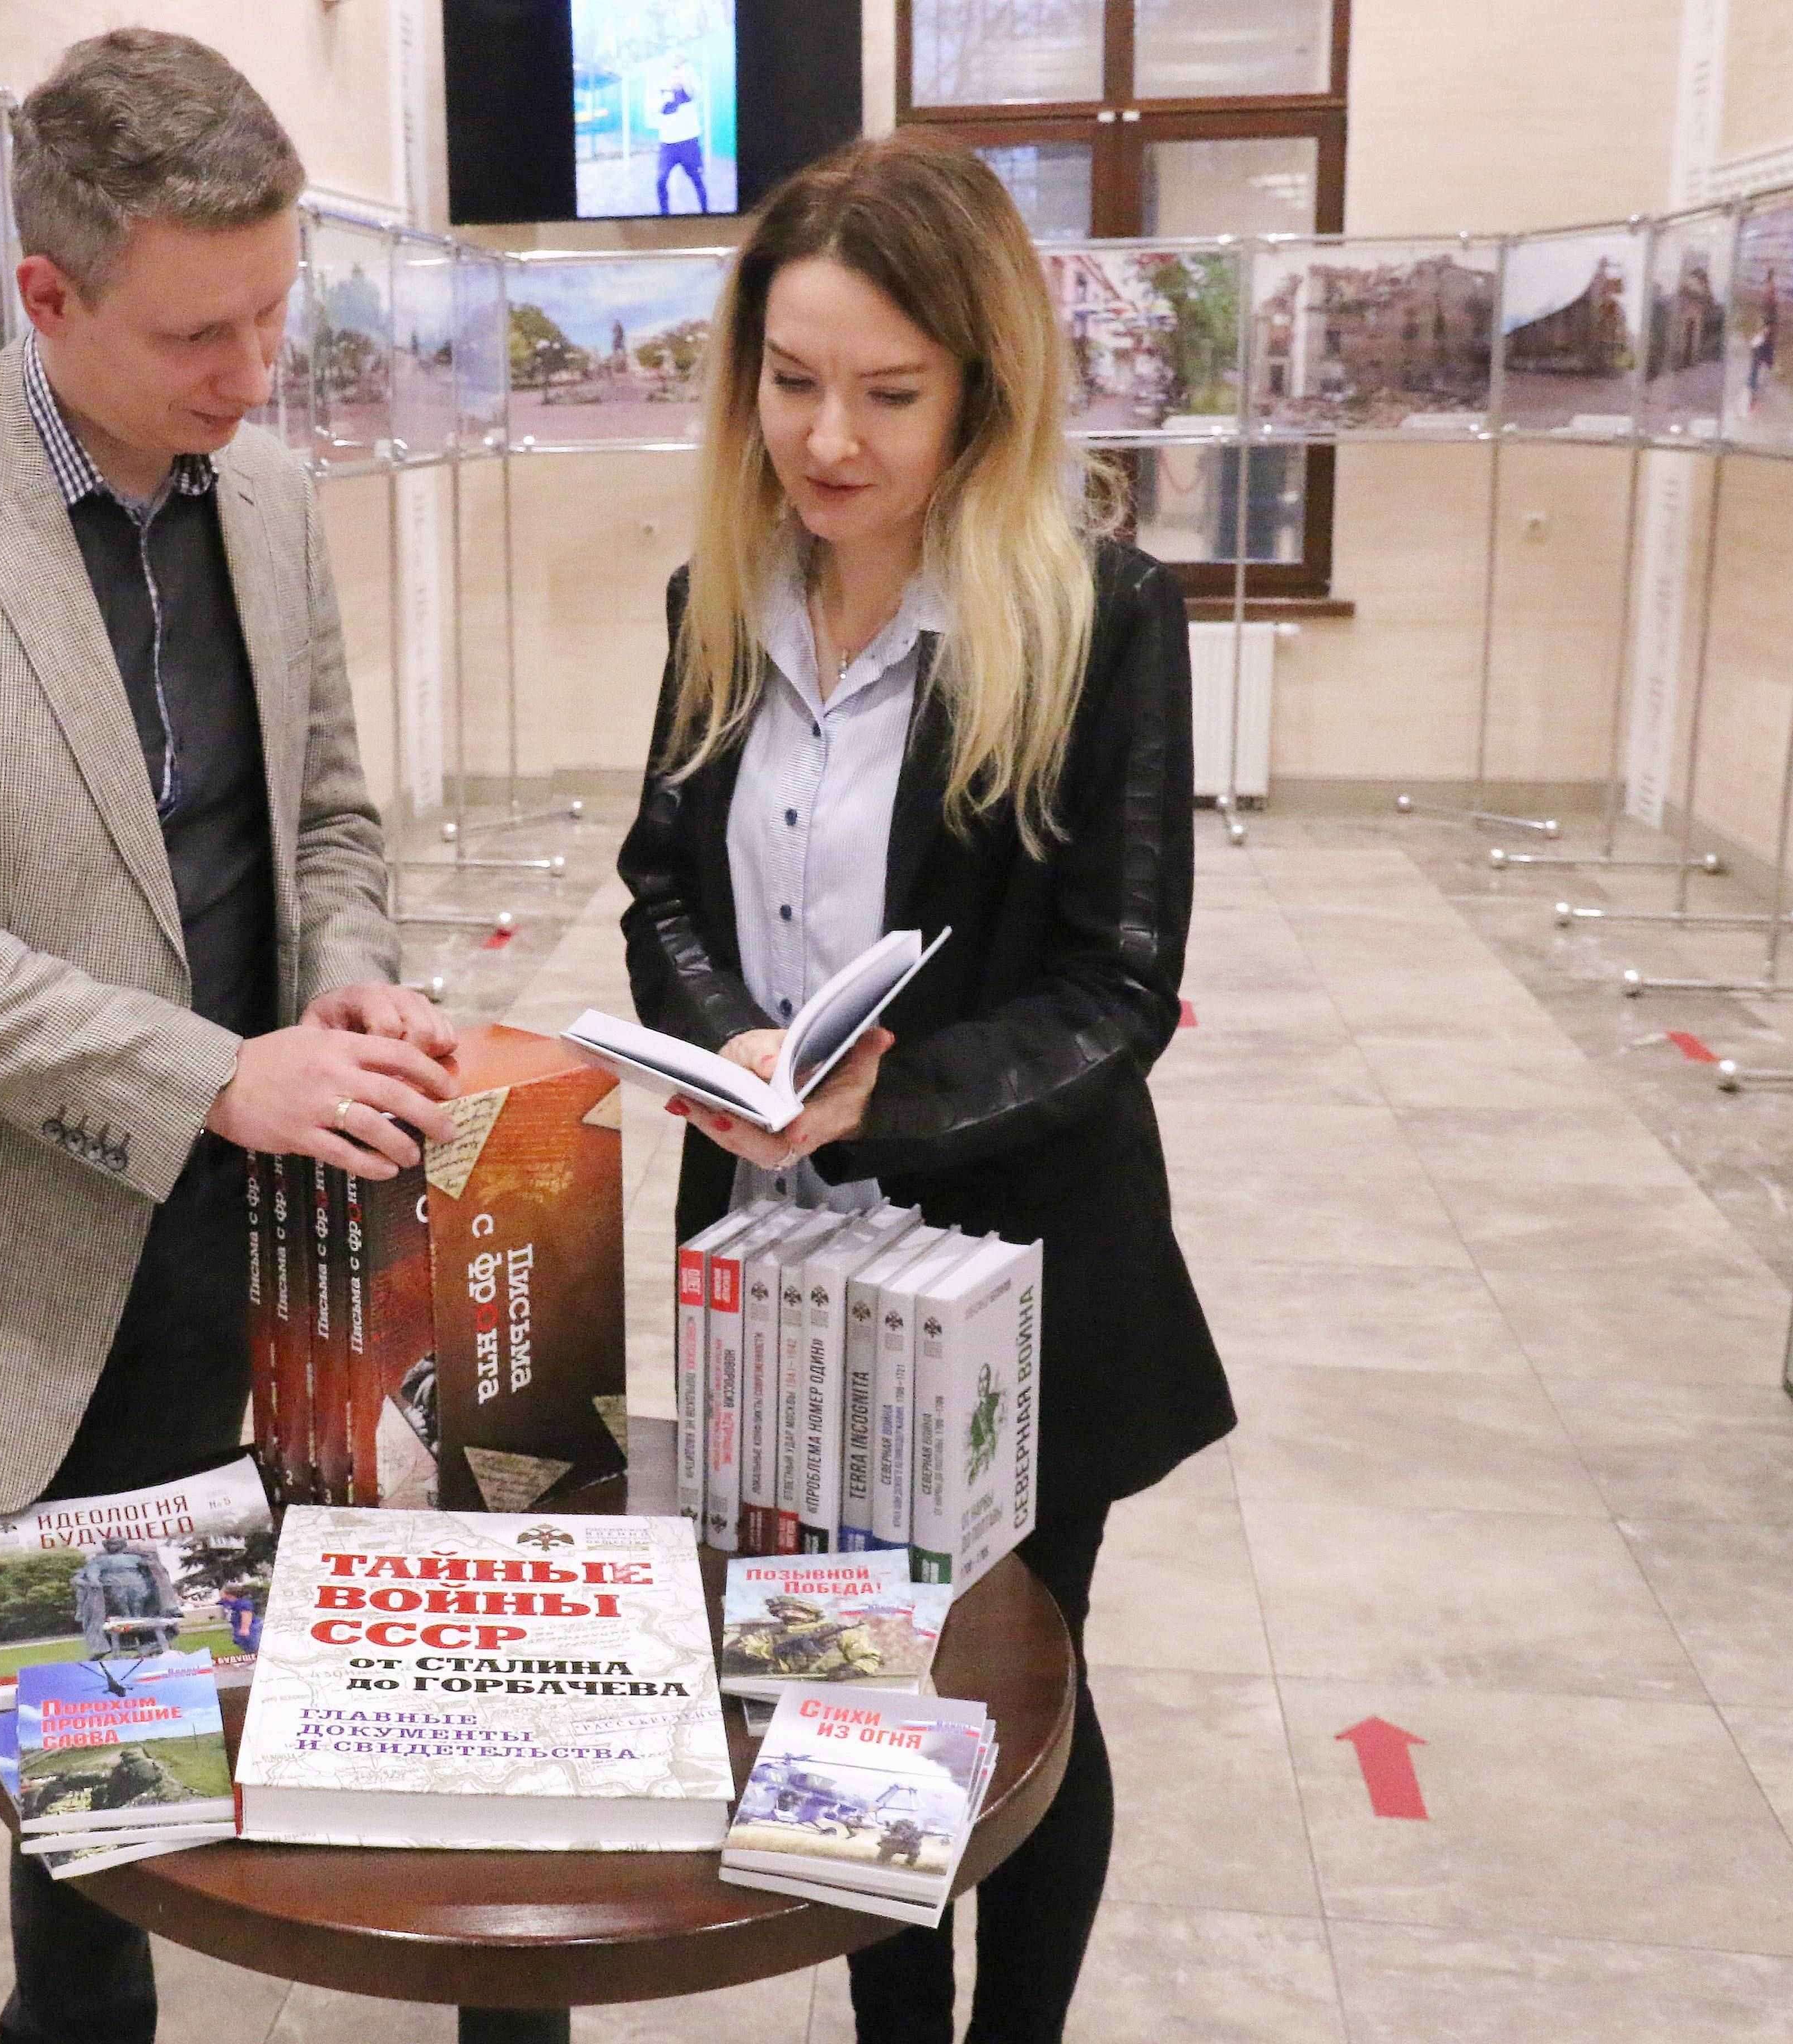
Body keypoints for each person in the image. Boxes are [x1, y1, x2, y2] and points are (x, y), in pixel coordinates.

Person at [0, 29, 458, 2044]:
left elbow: (326, 819)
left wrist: (348, 972)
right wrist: (209, 1072)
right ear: (45, 297)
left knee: (110, 1800)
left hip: (198, 1275)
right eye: (196, 334)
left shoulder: (272, 497)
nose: (250, 370)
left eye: (272, 312)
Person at [617, 131, 1233, 2044]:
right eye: (792, 381)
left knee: (1014, 1686)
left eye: (888, 393)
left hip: (1015, 1265)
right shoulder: (721, 596)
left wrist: (873, 1104)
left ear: (978, 386)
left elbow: (1116, 986)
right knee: (835, 1682)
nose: (829, 438)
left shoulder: (1098, 616)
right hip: (780, 1266)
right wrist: (728, 1032)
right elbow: (661, 881)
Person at [653, 61, 708, 215]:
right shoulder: (664, 94)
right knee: (661, 180)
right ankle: (664, 214)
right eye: (674, 77)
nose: (676, 80)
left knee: (697, 180)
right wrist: (665, 98)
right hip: (668, 146)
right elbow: (655, 109)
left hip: (689, 144)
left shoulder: (690, 92)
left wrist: (685, 71)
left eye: (679, 77)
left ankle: (706, 212)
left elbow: (694, 86)